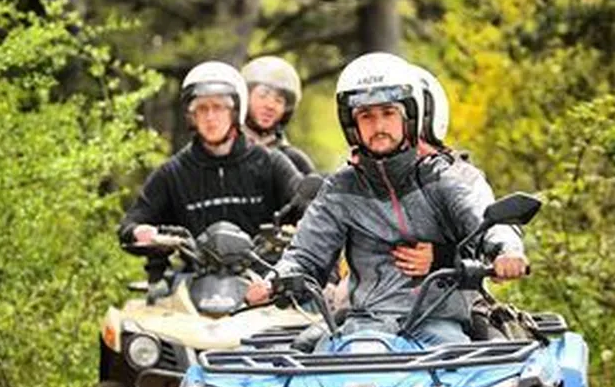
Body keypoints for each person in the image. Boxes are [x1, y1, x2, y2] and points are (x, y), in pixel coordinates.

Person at [246, 52, 528, 347]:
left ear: (409, 117)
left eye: (388, 113)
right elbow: (305, 254)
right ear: (351, 123)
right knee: (315, 375)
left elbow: (485, 221)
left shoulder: (443, 177)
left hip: (437, 323)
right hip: (366, 327)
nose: (378, 125)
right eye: (367, 116)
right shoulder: (341, 188)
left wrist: (505, 250)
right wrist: (273, 281)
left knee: (457, 371)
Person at [119, 60, 302, 279]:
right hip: (192, 289)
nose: (210, 117)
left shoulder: (271, 163)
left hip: (263, 289)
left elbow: (306, 203)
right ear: (191, 116)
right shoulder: (173, 173)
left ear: (235, 111)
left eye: (219, 107)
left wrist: (302, 218)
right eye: (202, 109)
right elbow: (131, 223)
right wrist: (139, 232)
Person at [241, 56, 316, 174]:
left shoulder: (295, 161)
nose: (270, 106)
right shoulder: (219, 152)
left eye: (279, 100)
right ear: (245, 97)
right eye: (263, 95)